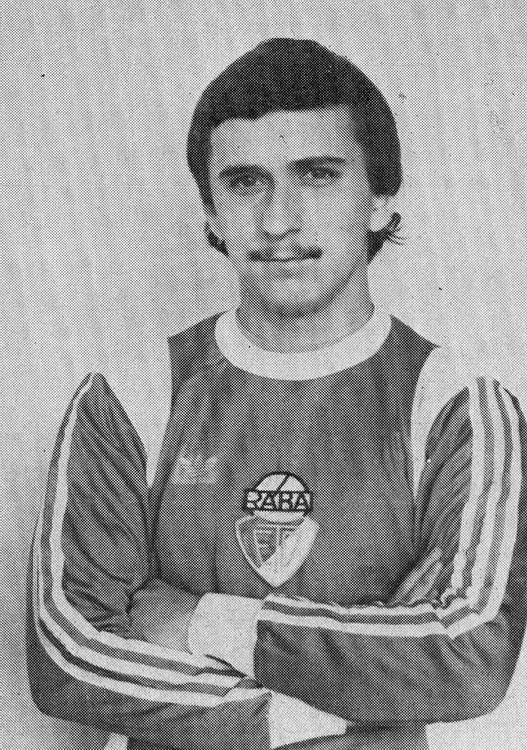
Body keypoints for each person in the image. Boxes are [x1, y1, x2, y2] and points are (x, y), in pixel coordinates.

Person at [27, 38, 527, 750]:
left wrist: (203, 622)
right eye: (244, 183)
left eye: (317, 176)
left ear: (380, 199)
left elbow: (469, 652)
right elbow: (67, 655)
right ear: (210, 213)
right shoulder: (132, 393)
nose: (277, 220)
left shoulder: (456, 404)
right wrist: (332, 698)